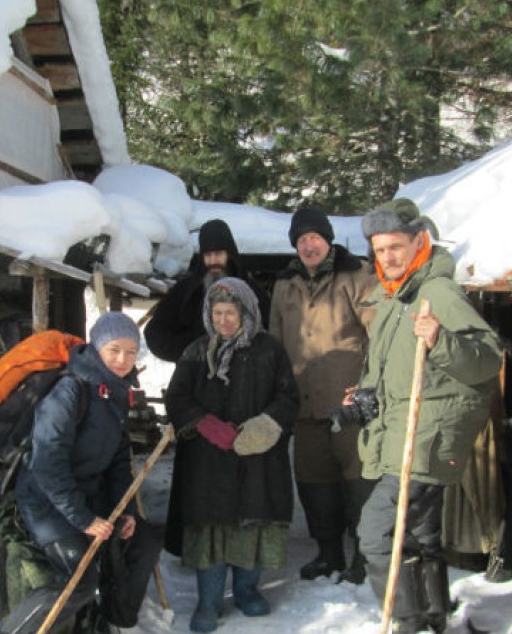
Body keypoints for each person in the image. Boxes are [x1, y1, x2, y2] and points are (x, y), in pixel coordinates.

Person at [354, 198, 502, 634]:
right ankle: (434, 617)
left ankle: (407, 620)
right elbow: (392, 368)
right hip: (404, 433)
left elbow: (487, 361)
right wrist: (364, 393)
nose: (388, 257)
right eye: (380, 250)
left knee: (377, 534)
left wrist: (440, 340)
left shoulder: (437, 293)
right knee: (420, 535)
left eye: (396, 247)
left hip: (424, 438)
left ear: (420, 241)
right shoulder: (396, 297)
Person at [2, 312, 162, 634]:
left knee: (142, 540)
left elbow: (118, 460)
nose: (122, 360)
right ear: (97, 348)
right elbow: (47, 463)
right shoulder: (70, 392)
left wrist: (126, 511)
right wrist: (84, 519)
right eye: (114, 350)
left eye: (131, 353)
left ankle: (110, 622)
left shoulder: (114, 392)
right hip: (46, 500)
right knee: (79, 580)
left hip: (88, 495)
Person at [164, 277, 299, 633]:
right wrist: (203, 422)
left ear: (247, 312)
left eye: (231, 312)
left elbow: (288, 397)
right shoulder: (196, 351)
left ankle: (245, 590)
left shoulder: (270, 351)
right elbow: (176, 396)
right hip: (207, 463)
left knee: (252, 525)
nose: (224, 320)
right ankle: (208, 601)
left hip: (257, 460)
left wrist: (267, 426)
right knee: (211, 529)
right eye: (217, 312)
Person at [269, 207, 378, 584]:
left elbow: (377, 333)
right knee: (314, 480)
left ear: (328, 240)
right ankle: (328, 552)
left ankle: (366, 555)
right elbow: (276, 343)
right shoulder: (285, 284)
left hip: (348, 402)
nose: (309, 245)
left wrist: (370, 385)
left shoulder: (355, 275)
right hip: (304, 402)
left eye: (314, 238)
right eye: (301, 240)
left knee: (359, 478)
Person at [144, 219, 270, 363]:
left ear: (229, 254)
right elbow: (155, 334)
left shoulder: (251, 291)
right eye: (208, 255)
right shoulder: (185, 291)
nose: (213, 261)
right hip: (196, 380)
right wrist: (192, 351)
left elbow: (271, 332)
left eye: (218, 254)